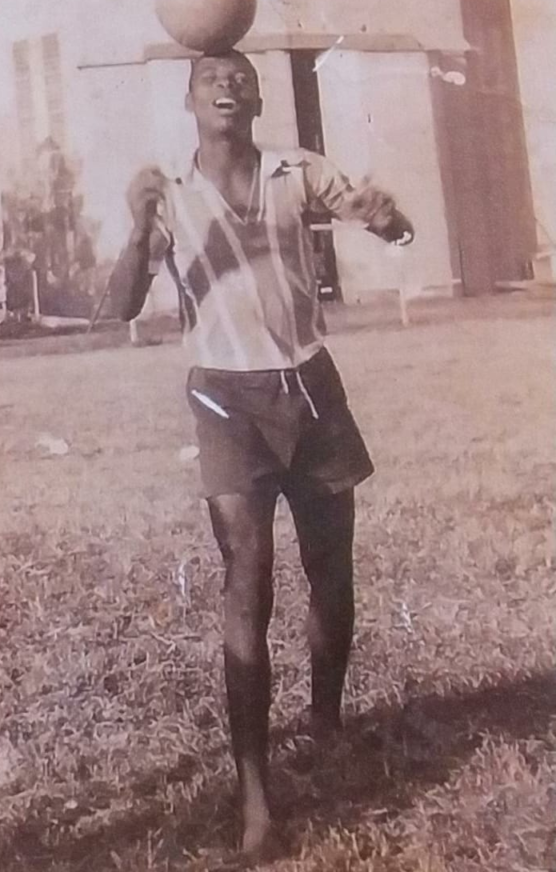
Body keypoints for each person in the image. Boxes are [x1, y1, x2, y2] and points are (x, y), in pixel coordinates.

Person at [107, 50, 413, 861]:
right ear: (188, 99)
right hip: (226, 400)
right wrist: (140, 232)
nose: (227, 85)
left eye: (240, 75)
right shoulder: (167, 192)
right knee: (248, 582)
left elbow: (385, 218)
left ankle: (326, 725)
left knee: (332, 573)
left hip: (309, 388)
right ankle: (256, 803)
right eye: (211, 77)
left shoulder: (298, 169)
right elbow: (119, 304)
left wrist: (388, 218)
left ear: (259, 95)